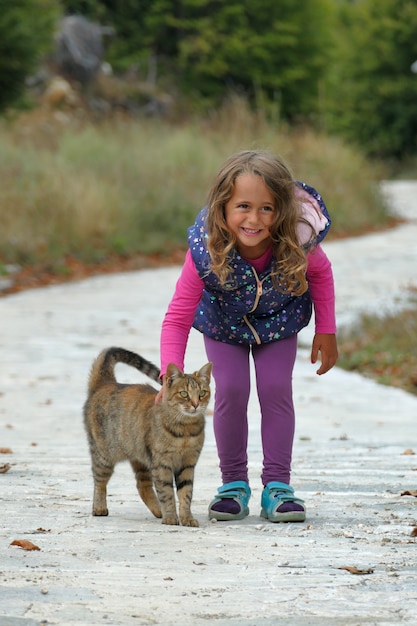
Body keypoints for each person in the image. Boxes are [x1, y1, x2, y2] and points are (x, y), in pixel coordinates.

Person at [156, 150, 338, 523]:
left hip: (279, 321)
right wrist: (167, 374)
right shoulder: (206, 252)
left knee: (274, 390)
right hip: (224, 326)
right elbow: (176, 318)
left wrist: (327, 330)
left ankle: (278, 487)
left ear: (282, 211)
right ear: (223, 208)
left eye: (267, 208)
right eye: (242, 206)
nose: (254, 219)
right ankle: (233, 485)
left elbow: (322, 274)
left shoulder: (297, 241)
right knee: (233, 391)